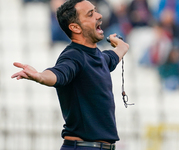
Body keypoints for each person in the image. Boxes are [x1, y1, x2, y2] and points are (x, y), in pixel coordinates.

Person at [11, 0, 129, 150]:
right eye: (91, 14)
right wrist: (40, 76)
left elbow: (117, 53)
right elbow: (58, 73)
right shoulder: (74, 56)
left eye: (96, 11)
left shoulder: (99, 57)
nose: (99, 16)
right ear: (75, 27)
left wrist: (121, 45)